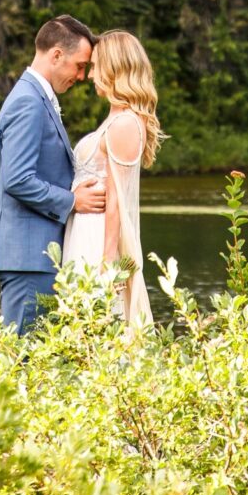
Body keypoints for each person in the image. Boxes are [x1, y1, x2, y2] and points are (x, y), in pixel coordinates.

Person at [0, 14, 107, 334]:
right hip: (27, 257)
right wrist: (72, 201)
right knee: (22, 363)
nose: (81, 76)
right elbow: (17, 179)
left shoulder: (37, 98)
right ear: (56, 55)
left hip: (32, 255)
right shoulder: (28, 102)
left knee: (36, 363)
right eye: (80, 65)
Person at [62, 29, 162, 326]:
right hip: (83, 230)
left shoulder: (125, 124)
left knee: (99, 325)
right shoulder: (115, 119)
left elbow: (118, 199)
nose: (90, 75)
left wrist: (107, 262)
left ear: (114, 68)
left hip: (98, 239)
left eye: (95, 67)